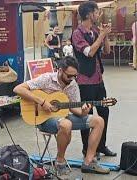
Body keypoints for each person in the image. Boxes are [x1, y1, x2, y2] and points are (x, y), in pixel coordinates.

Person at [13, 56, 110, 177]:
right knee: (66, 124)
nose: (72, 79)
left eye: (75, 76)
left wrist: (84, 111)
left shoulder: (73, 84)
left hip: (62, 117)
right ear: (60, 70)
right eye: (69, 76)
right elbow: (18, 89)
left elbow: (75, 109)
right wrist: (41, 101)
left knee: (99, 121)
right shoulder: (46, 78)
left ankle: (89, 162)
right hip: (44, 119)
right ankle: (60, 162)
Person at [71, 1, 117, 157]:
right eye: (97, 12)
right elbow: (89, 52)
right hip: (85, 82)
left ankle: (101, 146)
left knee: (104, 112)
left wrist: (105, 36)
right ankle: (87, 148)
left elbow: (107, 50)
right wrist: (102, 35)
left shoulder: (96, 31)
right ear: (89, 14)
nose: (99, 15)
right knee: (86, 115)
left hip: (99, 81)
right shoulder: (77, 34)